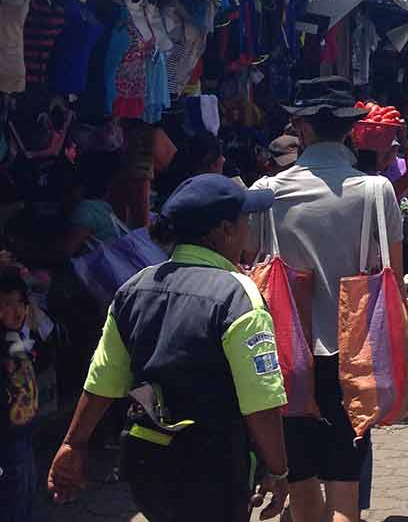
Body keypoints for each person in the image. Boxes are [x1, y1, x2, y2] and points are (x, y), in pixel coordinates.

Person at [47, 174, 289, 522]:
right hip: (214, 469)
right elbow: (261, 400)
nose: (248, 230)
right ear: (224, 230)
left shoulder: (134, 288)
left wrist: (73, 443)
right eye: (244, 221)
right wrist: (278, 471)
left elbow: (103, 378)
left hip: (148, 466)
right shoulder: (239, 296)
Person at [250, 77, 405, 522]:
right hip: (352, 356)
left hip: (286, 356)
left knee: (301, 484)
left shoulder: (267, 192)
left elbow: (254, 268)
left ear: (302, 127)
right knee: (345, 484)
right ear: (351, 129)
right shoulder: (377, 192)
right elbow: (390, 274)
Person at [1, 266, 37, 522]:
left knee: (24, 497)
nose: (17, 311)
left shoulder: (15, 339)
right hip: (6, 441)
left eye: (21, 303)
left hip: (22, 436)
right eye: (6, 304)